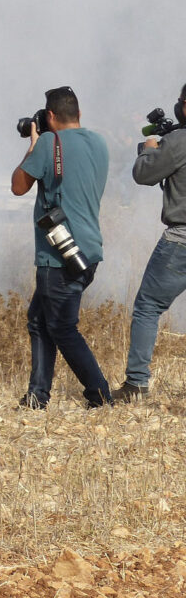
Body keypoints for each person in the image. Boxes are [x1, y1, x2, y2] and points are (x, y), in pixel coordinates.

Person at [11, 86, 112, 409]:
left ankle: (99, 393)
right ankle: (36, 396)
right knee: (39, 320)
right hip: (89, 249)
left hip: (58, 256)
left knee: (62, 327)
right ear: (78, 114)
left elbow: (17, 186)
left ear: (50, 116)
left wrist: (33, 145)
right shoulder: (99, 143)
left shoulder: (49, 145)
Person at [115, 84, 186, 403]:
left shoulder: (176, 141)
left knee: (147, 306)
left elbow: (143, 174)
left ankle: (136, 384)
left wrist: (149, 147)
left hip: (180, 241)